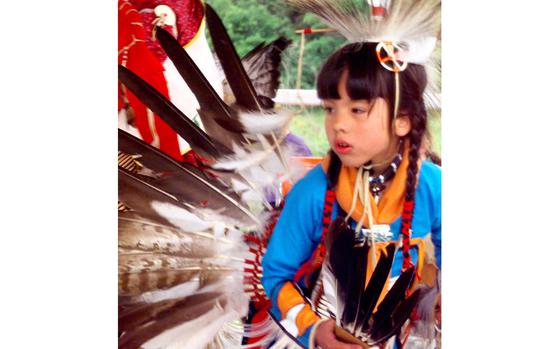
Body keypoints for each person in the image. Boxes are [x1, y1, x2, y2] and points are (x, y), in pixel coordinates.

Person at [261, 41, 441, 349]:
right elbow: (276, 276)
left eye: (357, 110)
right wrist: (314, 330)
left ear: (403, 120)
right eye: (331, 108)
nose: (338, 124)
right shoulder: (313, 193)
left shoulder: (432, 186)